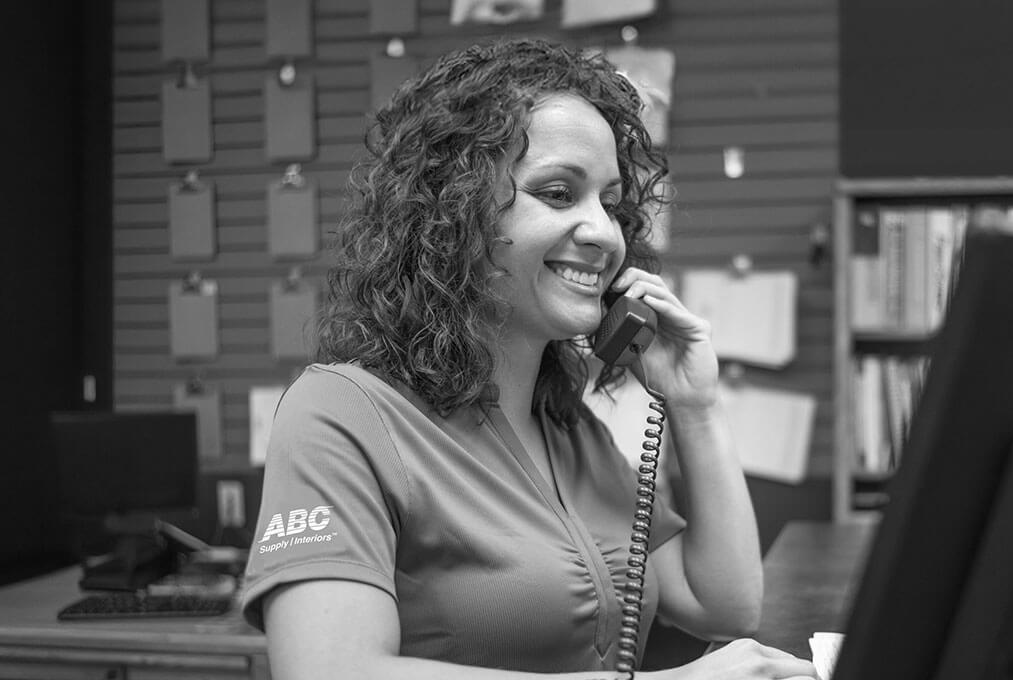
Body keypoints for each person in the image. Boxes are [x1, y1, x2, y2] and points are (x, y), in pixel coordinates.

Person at [237, 37, 817, 680]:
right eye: (560, 194)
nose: (605, 232)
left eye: (610, 200)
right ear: (451, 214)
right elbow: (327, 671)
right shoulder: (341, 412)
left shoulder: (575, 434)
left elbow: (723, 605)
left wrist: (694, 404)